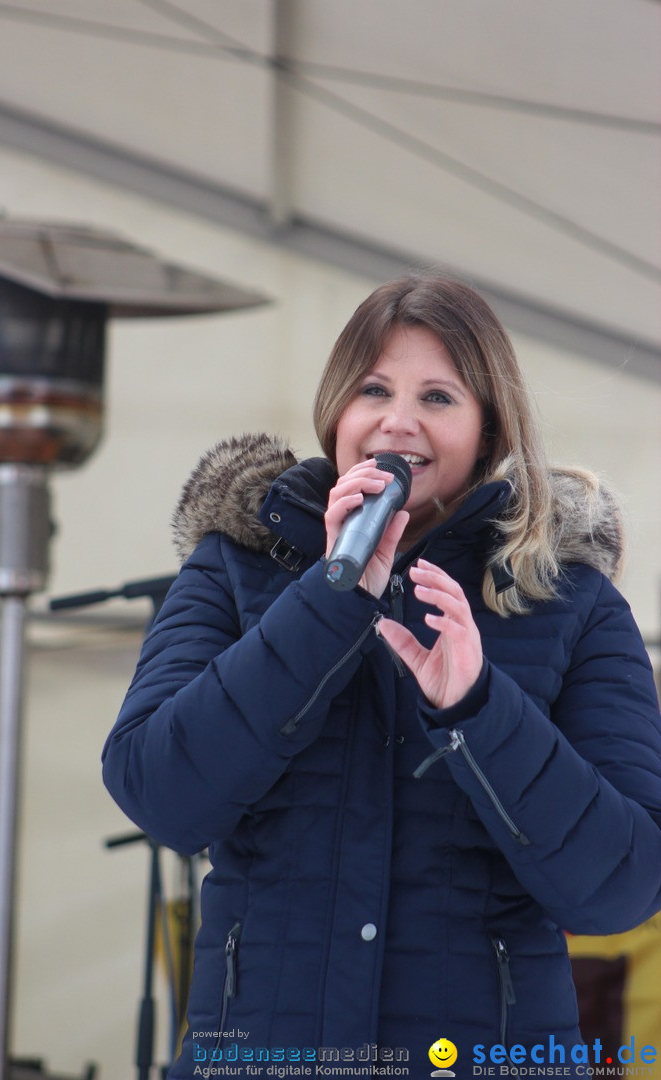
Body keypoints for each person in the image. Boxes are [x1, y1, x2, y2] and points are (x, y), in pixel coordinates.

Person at [102, 275, 661, 1077]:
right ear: (337, 411)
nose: (398, 421)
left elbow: (622, 885)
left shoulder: (568, 602)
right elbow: (158, 794)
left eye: (438, 396)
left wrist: (476, 706)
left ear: (488, 427)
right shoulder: (233, 566)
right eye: (374, 389)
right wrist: (327, 601)